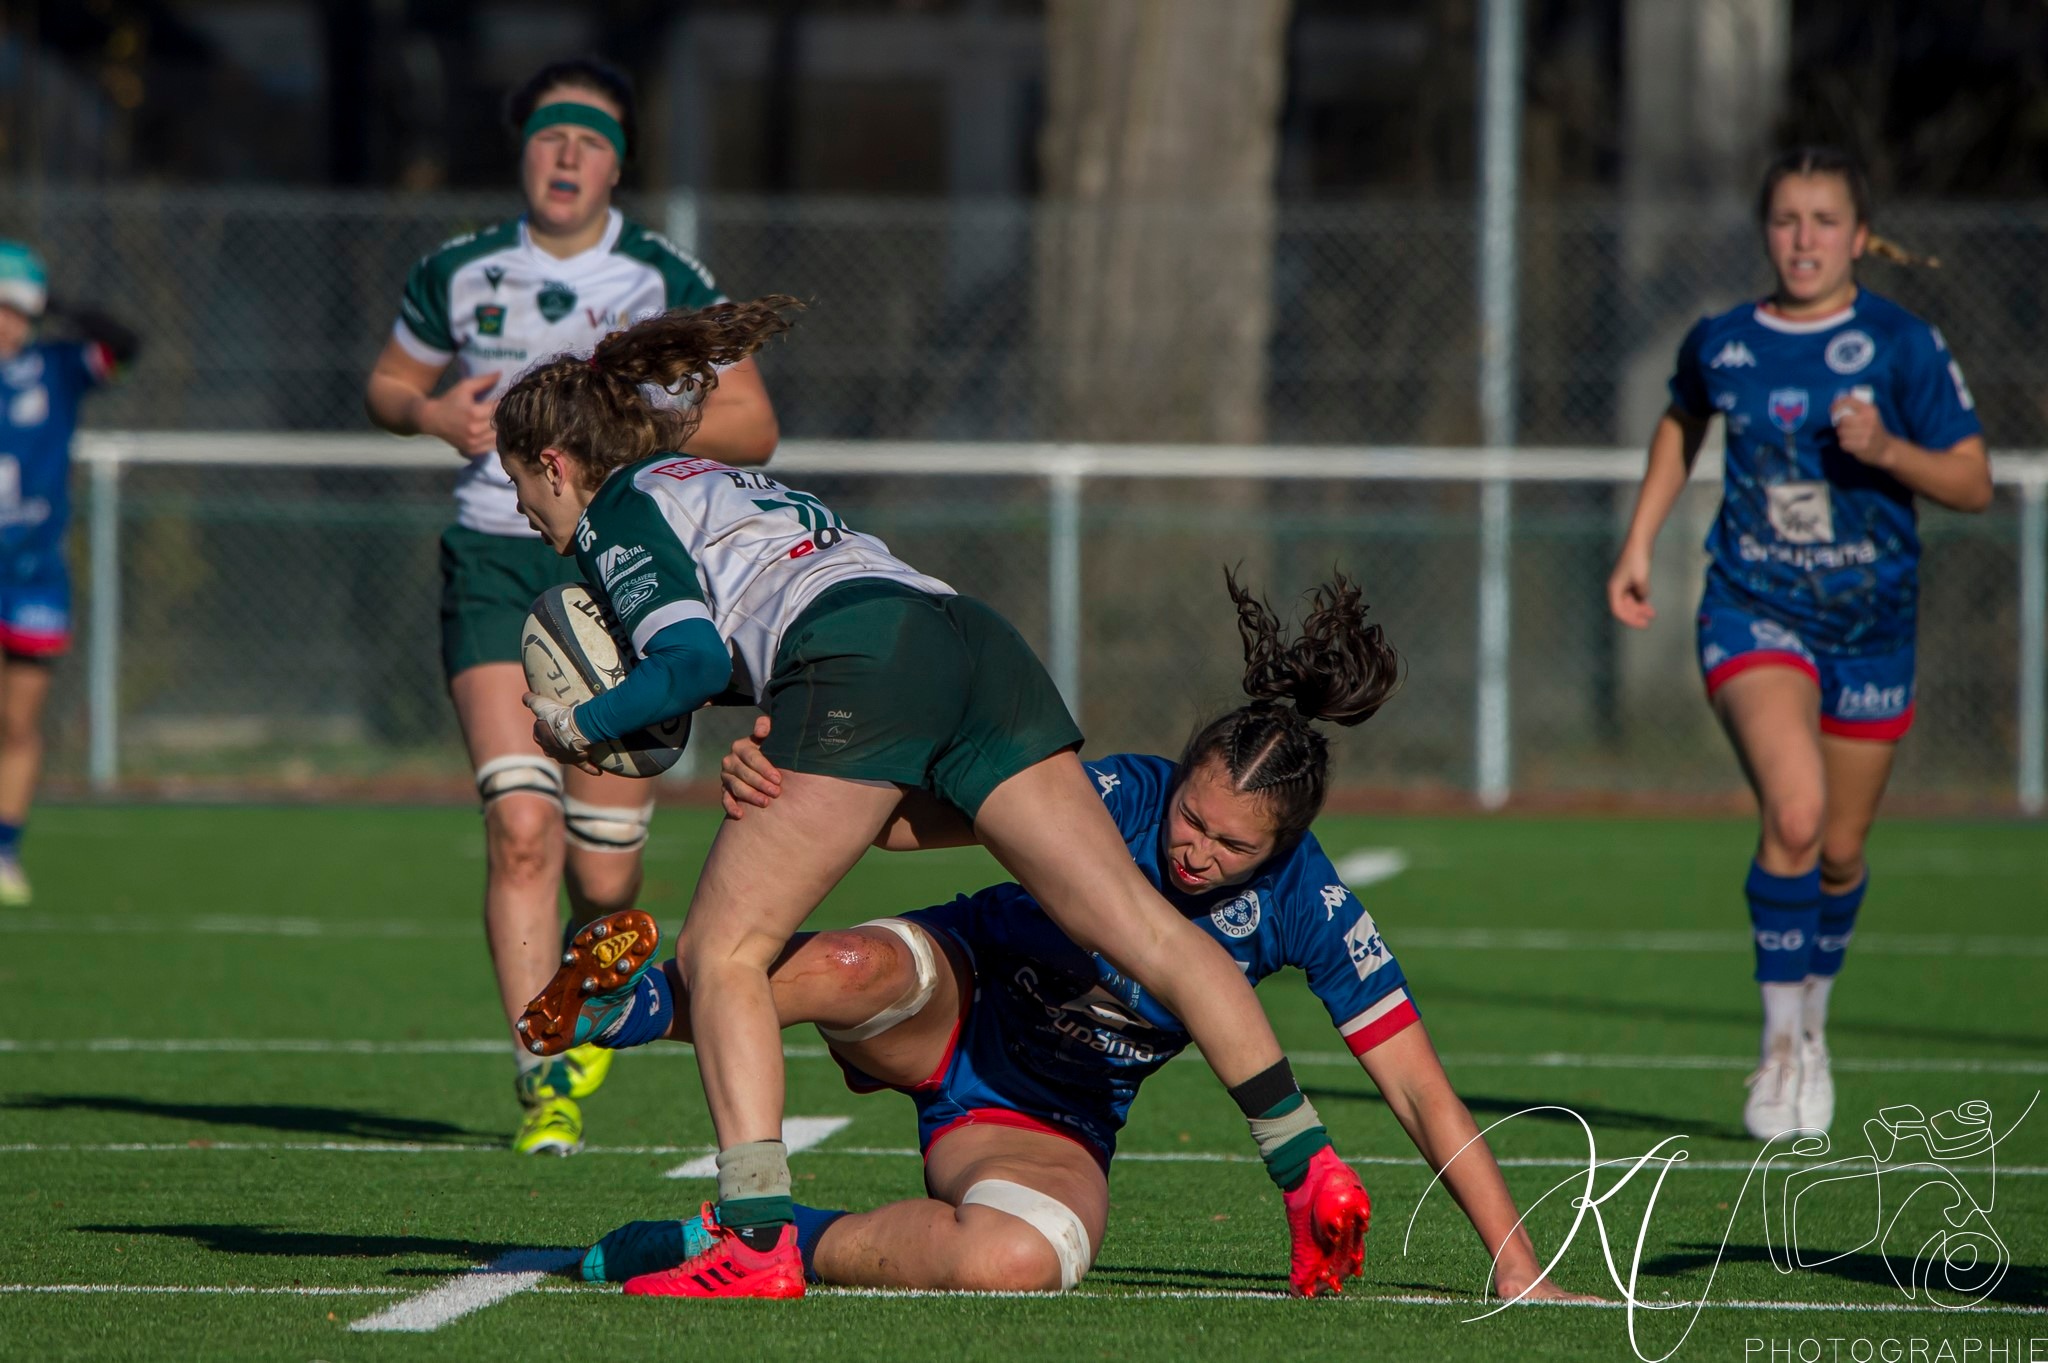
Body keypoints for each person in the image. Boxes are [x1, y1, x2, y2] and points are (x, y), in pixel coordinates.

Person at [493, 301, 1371, 1300]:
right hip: (971, 641)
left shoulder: (617, 507)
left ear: (557, 460)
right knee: (1149, 928)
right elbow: (743, 638)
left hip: (866, 652)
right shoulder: (713, 479)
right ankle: (1307, 1168)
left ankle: (752, 1234)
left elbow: (689, 658)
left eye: (523, 487)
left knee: (720, 951)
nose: (529, 514)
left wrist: (581, 724)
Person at [536, 572, 1591, 1302]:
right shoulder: (1117, 792)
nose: (1193, 851)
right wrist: (795, 785)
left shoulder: (1311, 908)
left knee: (1018, 1259)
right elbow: (908, 822)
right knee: (852, 963)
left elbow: (1417, 1087)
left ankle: (764, 1235)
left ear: (1283, 851)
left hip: (1046, 1112)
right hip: (953, 992)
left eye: (1230, 846)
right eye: (1190, 818)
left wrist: (1515, 1262)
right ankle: (620, 1006)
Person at [362, 57, 780, 1156]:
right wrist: (426, 413)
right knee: (519, 826)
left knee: (603, 867)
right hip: (492, 562)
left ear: (617, 164)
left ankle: (593, 982)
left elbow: (752, 427)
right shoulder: (460, 268)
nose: (564, 154)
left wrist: (634, 428)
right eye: (549, 135)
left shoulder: (658, 277)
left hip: (613, 566)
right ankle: (539, 1066)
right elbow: (388, 384)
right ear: (523, 151)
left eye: (588, 140)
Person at [1606, 147, 1989, 1140]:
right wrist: (1639, 540)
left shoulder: (1900, 344)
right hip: (1751, 606)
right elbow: (1677, 422)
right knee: (1795, 809)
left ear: (1858, 236)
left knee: (1840, 848)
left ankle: (1812, 1021)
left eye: (1824, 220)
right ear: (1763, 231)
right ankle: (1776, 1048)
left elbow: (1970, 481)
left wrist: (1886, 451)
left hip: (1869, 625)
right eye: (1785, 219)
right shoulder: (1723, 342)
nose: (1803, 238)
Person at [0, 241, 139, 907]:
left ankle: (5, 851)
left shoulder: (54, 368)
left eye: (17, 311)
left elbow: (127, 341)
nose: (9, 323)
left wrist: (51, 303)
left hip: (30, 576)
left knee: (17, 721)